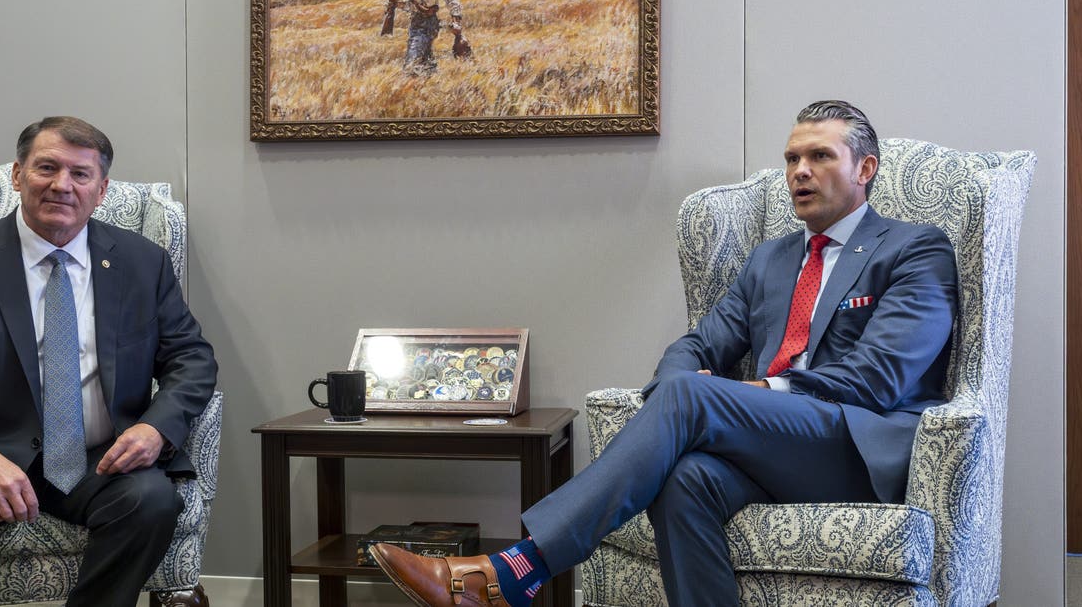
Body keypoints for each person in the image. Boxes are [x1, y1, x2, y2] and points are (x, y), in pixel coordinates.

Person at [369, 100, 959, 607]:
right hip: (773, 446)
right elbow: (697, 346)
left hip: (856, 448)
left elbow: (880, 377)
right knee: (683, 478)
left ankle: (514, 571)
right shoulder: (770, 261)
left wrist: (750, 392)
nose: (800, 171)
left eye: (821, 157)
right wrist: (684, 387)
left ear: (866, 169)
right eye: (791, 159)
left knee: (691, 397)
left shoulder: (913, 249)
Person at [0, 116, 218, 607]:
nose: (62, 185)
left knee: (150, 500)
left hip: (95, 458)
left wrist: (156, 428)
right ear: (18, 175)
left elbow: (191, 359)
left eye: (80, 174)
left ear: (101, 189)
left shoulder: (141, 262)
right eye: (47, 167)